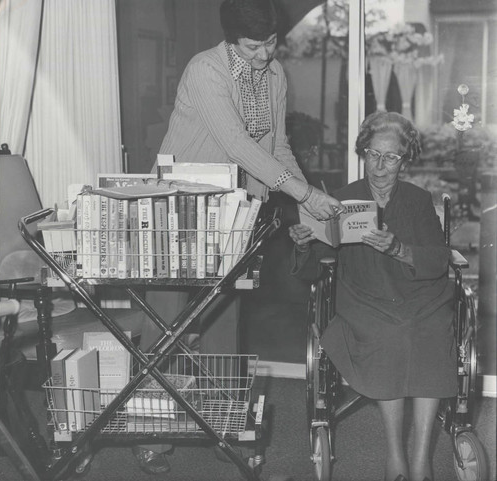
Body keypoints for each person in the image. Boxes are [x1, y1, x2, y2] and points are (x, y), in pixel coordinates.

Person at [133, 0, 343, 474]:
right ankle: (151, 436)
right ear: (231, 41)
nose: (265, 54)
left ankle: (225, 426)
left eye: (271, 41)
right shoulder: (205, 70)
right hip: (177, 209)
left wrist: (301, 199)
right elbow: (236, 144)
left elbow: (276, 146)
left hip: (233, 214)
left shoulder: (274, 75)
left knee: (225, 323)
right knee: (165, 325)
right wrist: (303, 191)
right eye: (253, 45)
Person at [289, 111, 457, 481]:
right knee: (390, 337)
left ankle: (421, 457)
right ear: (362, 153)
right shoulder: (341, 200)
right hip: (365, 298)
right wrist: (304, 245)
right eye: (372, 154)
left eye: (391, 157)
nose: (380, 166)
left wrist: (399, 249)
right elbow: (314, 269)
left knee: (429, 333)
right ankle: (395, 453)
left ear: (405, 160)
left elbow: (437, 257)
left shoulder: (416, 199)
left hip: (419, 295)